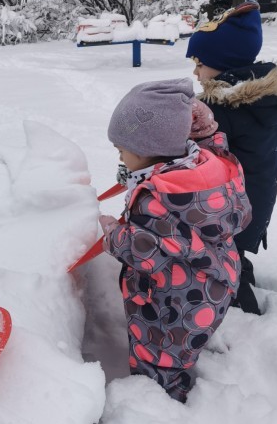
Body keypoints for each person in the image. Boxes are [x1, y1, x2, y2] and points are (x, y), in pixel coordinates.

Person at [99, 78, 251, 402]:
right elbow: (217, 149)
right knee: (182, 343)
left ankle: (163, 402)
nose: (121, 159)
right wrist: (206, 133)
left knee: (158, 357)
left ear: (147, 149)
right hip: (213, 283)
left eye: (122, 150)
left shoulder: (158, 199)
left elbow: (143, 251)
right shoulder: (205, 167)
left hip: (175, 304)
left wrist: (112, 234)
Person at [186, 2, 277, 314]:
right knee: (232, 252)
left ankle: (245, 314)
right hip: (253, 202)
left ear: (222, 63)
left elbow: (192, 156)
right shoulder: (261, 99)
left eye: (199, 63)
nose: (195, 72)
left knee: (224, 264)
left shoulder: (223, 111)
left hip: (229, 210)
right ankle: (239, 271)